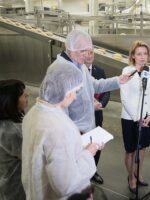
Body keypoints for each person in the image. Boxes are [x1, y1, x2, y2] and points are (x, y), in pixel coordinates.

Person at [22, 62, 104, 200]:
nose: (75, 97)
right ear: (65, 90)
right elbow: (66, 185)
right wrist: (90, 152)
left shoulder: (34, 112)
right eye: (75, 91)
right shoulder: (57, 127)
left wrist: (79, 143)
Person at [48, 29, 130, 135]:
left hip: (86, 130)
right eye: (83, 51)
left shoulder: (79, 65)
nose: (88, 56)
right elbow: (60, 111)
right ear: (72, 49)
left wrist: (118, 80)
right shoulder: (60, 72)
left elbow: (95, 85)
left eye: (88, 51)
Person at [120, 40, 150, 193]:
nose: (142, 57)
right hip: (130, 118)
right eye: (139, 54)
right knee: (130, 150)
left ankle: (138, 172)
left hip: (146, 119)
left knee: (142, 148)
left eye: (145, 54)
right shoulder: (127, 71)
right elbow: (124, 98)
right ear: (133, 56)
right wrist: (138, 118)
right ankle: (130, 177)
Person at [85, 49, 111, 185]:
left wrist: (101, 103)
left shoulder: (100, 71)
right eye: (87, 53)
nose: (89, 56)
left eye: (92, 53)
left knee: (96, 143)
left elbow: (106, 91)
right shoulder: (77, 72)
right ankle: (84, 172)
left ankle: (94, 171)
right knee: (83, 144)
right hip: (82, 117)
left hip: (97, 114)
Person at [0, 79, 28, 200]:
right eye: (22, 94)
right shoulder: (12, 132)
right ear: (10, 101)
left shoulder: (5, 122)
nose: (27, 95)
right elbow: (32, 157)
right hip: (16, 188)